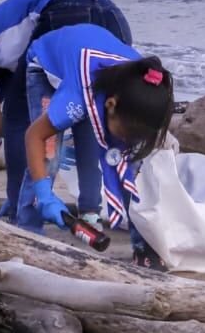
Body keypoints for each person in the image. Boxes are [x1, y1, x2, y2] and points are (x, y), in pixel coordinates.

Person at [0, 0, 133, 227]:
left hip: (64, 12)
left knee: (18, 120)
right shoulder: (9, 25)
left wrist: (16, 190)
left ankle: (24, 213)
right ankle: (90, 212)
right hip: (114, 18)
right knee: (90, 111)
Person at [19, 23, 172, 270]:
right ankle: (27, 230)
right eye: (127, 134)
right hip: (47, 66)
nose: (128, 141)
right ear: (109, 105)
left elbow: (129, 168)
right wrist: (44, 193)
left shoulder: (144, 87)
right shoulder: (78, 98)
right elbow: (33, 136)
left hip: (93, 62)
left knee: (129, 163)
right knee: (50, 154)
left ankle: (143, 245)